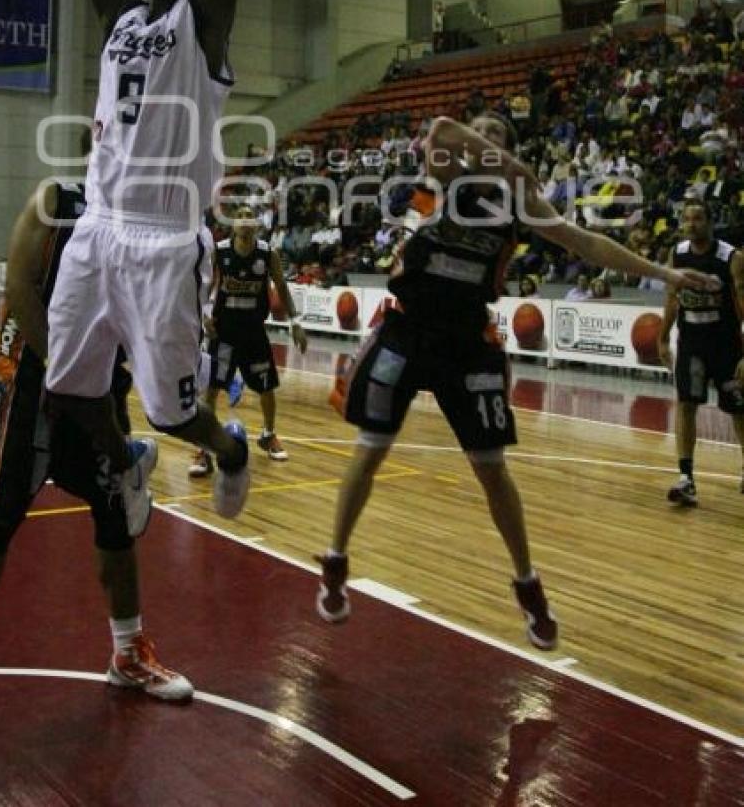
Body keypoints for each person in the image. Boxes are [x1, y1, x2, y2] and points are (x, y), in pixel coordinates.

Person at [314, 112, 719, 650]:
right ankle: (337, 559)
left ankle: (527, 584)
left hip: (466, 339)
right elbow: (439, 128)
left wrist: (665, 274)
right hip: (407, 327)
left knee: (493, 470)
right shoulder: (444, 174)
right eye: (480, 133)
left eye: (497, 135)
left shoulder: (519, 202)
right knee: (370, 450)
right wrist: (511, 161)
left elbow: (587, 244)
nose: (485, 140)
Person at [45, 0, 274, 517]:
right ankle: (125, 460)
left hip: (165, 240)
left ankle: (230, 445)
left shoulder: (200, 34)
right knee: (67, 387)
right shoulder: (123, 18)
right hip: (98, 226)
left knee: (173, 411)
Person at [0, 182, 194, 752]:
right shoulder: (54, 201)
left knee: (116, 517)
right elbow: (20, 288)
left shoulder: (144, 224)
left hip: (95, 389)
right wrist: (64, 366)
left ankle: (128, 651)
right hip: (30, 379)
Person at [189, 206, 308, 476]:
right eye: (239, 216)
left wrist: (296, 322)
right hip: (225, 333)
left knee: (267, 388)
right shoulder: (219, 251)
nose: (244, 221)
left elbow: (282, 287)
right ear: (233, 225)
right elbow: (204, 287)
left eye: (249, 217)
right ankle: (204, 449)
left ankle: (268, 434)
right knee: (212, 389)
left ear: (257, 225)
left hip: (254, 332)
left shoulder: (267, 253)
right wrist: (204, 315)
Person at [657, 198, 744, 507]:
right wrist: (663, 337)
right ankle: (686, 478)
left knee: (738, 409)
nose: (692, 224)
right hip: (692, 343)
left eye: (698, 218)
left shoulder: (731, 258)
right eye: (687, 219)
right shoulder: (677, 254)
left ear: (710, 222)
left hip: (727, 345)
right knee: (685, 405)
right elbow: (671, 297)